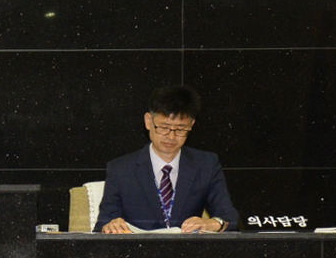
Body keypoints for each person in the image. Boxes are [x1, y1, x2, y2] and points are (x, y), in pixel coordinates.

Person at [97, 85, 238, 233]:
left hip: (190, 252)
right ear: (148, 121)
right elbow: (102, 225)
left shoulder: (206, 164)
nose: (171, 137)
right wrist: (110, 226)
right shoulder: (121, 169)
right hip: (138, 253)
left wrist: (214, 223)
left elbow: (229, 216)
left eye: (180, 129)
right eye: (164, 127)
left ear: (192, 125)